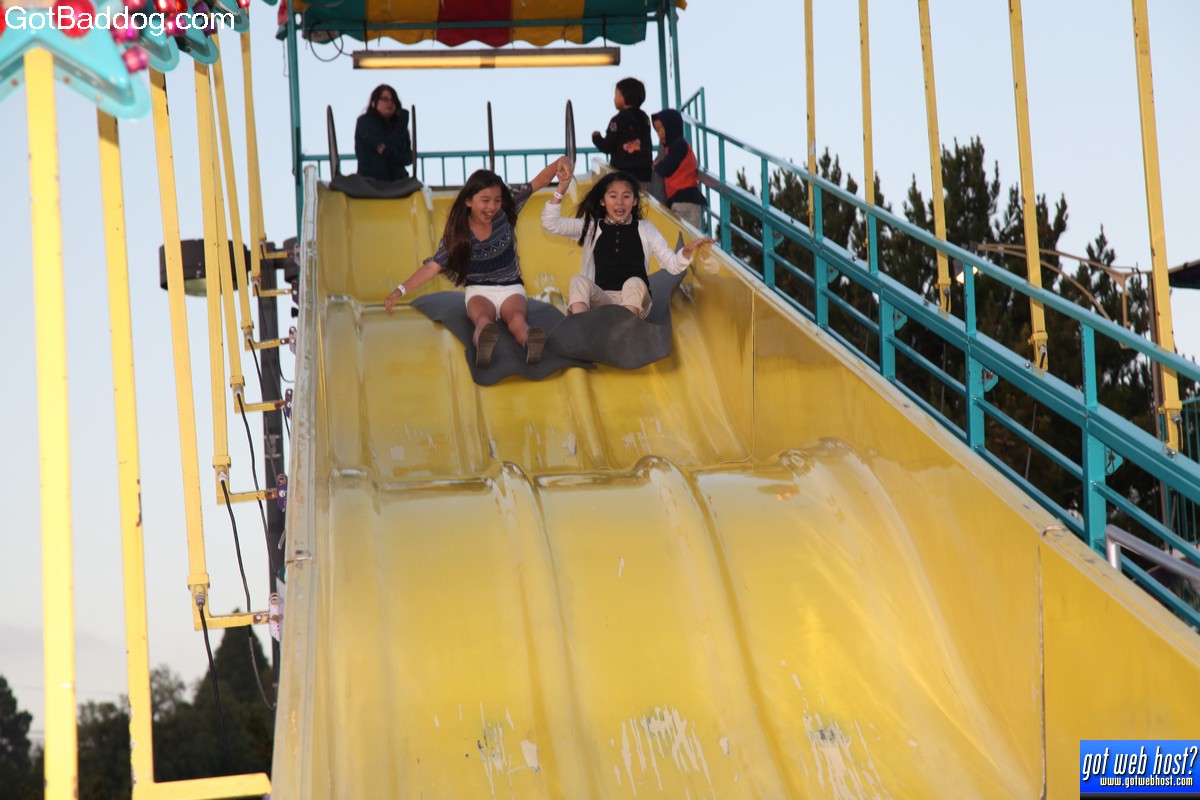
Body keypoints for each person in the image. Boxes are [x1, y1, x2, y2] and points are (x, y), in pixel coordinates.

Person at [384, 158, 572, 367]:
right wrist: (400, 290)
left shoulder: (506, 208)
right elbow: (432, 267)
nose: (492, 207)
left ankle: (530, 343)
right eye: (485, 200)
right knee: (483, 320)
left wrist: (561, 162)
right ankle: (484, 346)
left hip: (511, 287)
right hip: (479, 291)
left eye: (497, 200)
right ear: (468, 201)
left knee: (517, 319)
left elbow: (538, 182)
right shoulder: (458, 234)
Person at [542, 167, 714, 319]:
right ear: (602, 201)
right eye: (613, 196)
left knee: (634, 282)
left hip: (636, 303)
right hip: (603, 301)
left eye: (626, 196)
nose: (620, 202)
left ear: (635, 201)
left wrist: (685, 252)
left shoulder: (645, 229)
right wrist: (561, 190)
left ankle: (627, 330)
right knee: (578, 281)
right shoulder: (591, 227)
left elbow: (672, 264)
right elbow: (551, 223)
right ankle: (581, 326)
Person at [591, 77, 654, 185]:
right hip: (645, 174)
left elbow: (608, 146)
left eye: (616, 95)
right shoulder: (645, 118)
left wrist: (596, 138)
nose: (614, 99)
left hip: (624, 175)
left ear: (624, 97)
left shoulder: (617, 120)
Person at [651, 109, 706, 229]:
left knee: (686, 237)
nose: (659, 134)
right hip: (681, 201)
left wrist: (657, 165)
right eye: (657, 130)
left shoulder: (679, 145)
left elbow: (667, 168)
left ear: (672, 126)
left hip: (685, 200)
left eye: (662, 128)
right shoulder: (673, 147)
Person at [354, 84, 413, 181]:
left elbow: (409, 158)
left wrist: (388, 153)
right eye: (385, 99)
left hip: (399, 182)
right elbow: (384, 144)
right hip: (371, 183)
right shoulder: (366, 122)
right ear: (374, 103)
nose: (390, 103)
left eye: (393, 100)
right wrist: (402, 124)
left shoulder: (399, 127)